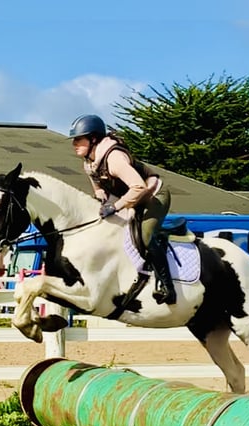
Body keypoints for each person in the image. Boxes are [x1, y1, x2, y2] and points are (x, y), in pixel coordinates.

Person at [68, 113, 176, 305]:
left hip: (153, 196)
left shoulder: (114, 158)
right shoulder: (89, 162)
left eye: (78, 139)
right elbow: (99, 189)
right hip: (132, 200)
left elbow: (139, 187)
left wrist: (115, 206)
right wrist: (100, 200)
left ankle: (167, 287)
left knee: (145, 236)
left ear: (93, 139)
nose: (74, 144)